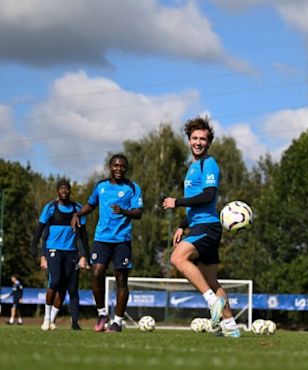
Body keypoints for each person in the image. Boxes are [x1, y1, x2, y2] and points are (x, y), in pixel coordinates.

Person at [162, 116, 240, 337]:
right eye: (194, 138)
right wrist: (181, 225)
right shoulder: (193, 167)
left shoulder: (209, 164)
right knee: (210, 278)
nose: (198, 142)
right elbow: (196, 204)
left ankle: (211, 302)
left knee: (177, 258)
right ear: (189, 140)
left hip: (208, 227)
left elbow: (208, 196)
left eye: (203, 139)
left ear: (209, 142)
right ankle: (231, 326)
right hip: (199, 224)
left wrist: (176, 202)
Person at [71, 154, 143, 333]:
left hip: (122, 241)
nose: (119, 169)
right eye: (116, 166)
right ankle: (102, 313)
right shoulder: (100, 186)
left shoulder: (133, 188)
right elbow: (91, 204)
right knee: (96, 273)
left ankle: (117, 322)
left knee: (121, 279)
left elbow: (138, 213)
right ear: (110, 167)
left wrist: (124, 211)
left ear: (126, 168)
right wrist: (78, 214)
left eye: (122, 166)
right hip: (101, 239)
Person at [32, 178, 89, 331]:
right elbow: (39, 231)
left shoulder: (77, 208)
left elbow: (83, 235)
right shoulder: (50, 208)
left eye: (67, 188)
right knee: (55, 281)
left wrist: (85, 256)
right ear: (57, 191)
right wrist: (37, 253)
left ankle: (52, 320)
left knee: (65, 289)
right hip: (53, 250)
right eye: (61, 188)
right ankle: (46, 319)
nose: (64, 191)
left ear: (70, 191)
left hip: (71, 253)